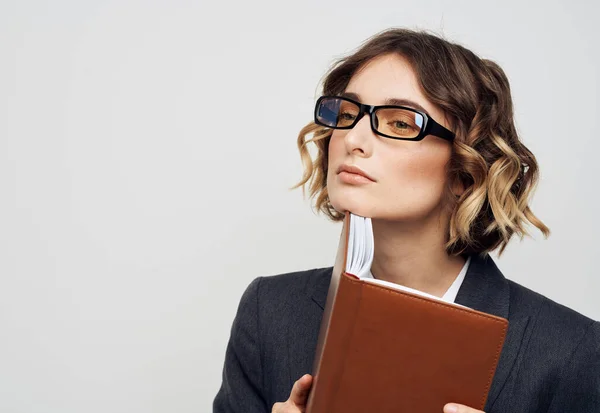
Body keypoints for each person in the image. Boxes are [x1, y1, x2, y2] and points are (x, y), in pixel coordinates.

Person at [212, 28, 600, 413]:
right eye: (346, 114)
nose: (353, 139)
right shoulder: (269, 312)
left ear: (467, 170)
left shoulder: (572, 351)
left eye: (401, 123)